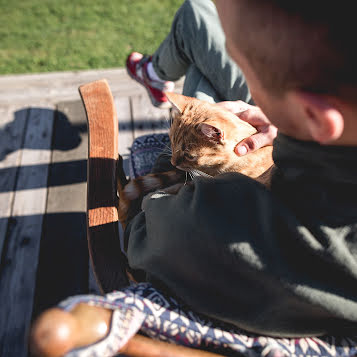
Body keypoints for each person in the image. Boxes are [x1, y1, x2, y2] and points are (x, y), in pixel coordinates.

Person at [124, 0, 357, 338]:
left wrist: (175, 157)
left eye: (244, 67)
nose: (242, 74)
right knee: (198, 15)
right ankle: (159, 75)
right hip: (309, 130)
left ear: (315, 115)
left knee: (200, 64)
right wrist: (294, 130)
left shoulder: (229, 224)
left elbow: (142, 232)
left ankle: (156, 75)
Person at [126, 0, 276, 158]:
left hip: (282, 117)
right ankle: (154, 74)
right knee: (200, 51)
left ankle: (153, 74)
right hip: (283, 96)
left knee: (193, 14)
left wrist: (286, 127)